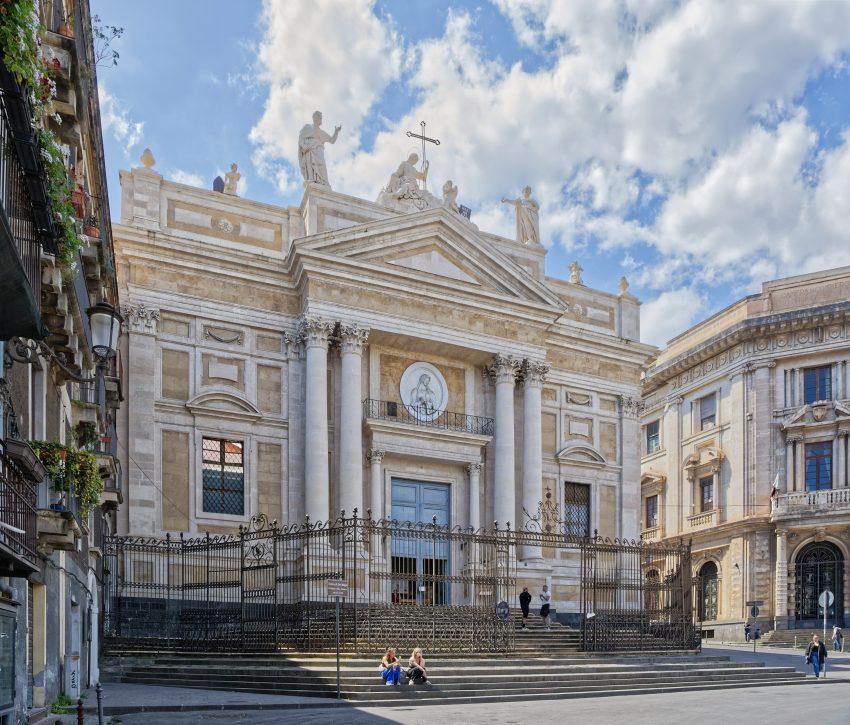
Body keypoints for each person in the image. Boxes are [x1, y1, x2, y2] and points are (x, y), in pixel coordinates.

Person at [298, 111, 341, 187]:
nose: (321, 119)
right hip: (310, 150)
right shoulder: (307, 127)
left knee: (321, 166)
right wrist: (304, 146)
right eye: (319, 117)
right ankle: (311, 180)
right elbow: (301, 138)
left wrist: (336, 132)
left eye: (321, 117)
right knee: (310, 164)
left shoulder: (322, 132)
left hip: (319, 151)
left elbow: (332, 140)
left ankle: (323, 182)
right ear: (314, 117)